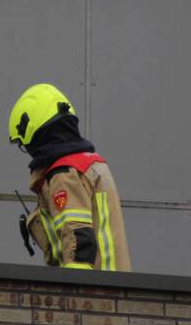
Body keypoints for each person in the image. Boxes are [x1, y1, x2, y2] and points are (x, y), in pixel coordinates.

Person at [9, 84, 131, 270]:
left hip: (93, 292)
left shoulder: (64, 174)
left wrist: (74, 292)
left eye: (24, 144)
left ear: (35, 133)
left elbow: (78, 240)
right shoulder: (91, 164)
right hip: (112, 288)